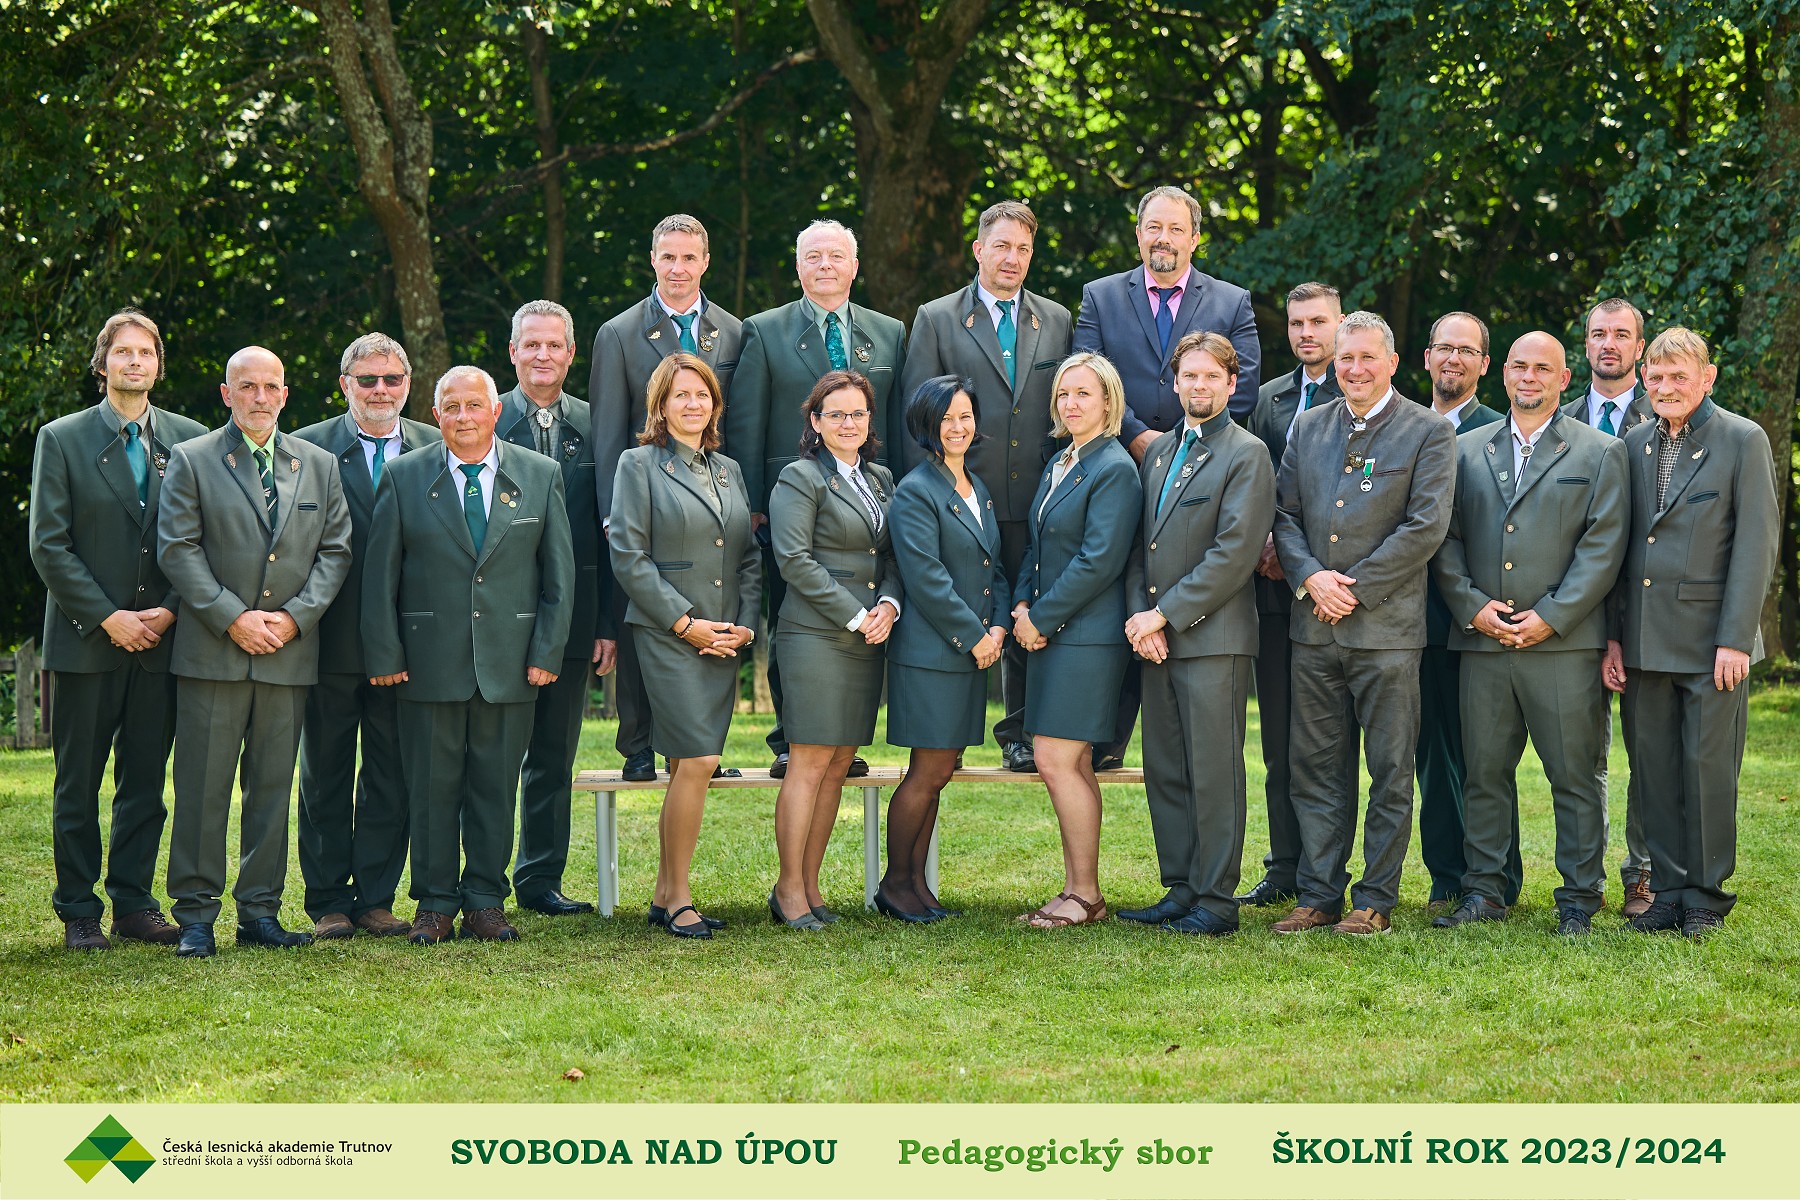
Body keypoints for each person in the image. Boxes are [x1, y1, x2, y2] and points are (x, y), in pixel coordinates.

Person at [362, 365, 574, 945]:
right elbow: (380, 575)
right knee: (431, 788)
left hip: (512, 662)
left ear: (495, 410)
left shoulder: (540, 474)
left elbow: (559, 576)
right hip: (428, 661)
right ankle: (434, 903)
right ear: (436, 415)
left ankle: (485, 900)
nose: (463, 417)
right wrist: (385, 653)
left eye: (474, 405)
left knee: (495, 786)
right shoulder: (404, 476)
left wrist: (547, 649)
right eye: (451, 407)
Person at [1429, 331, 1629, 936]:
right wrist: (1472, 608)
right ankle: (1485, 891)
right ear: (1504, 374)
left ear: (1564, 379)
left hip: (1563, 645)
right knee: (1484, 774)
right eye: (1519, 366)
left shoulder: (1601, 452)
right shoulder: (1464, 450)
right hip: (1483, 642)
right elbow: (1443, 540)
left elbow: (1603, 548)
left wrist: (1553, 615)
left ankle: (1579, 898)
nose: (1529, 377)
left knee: (1573, 777)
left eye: (1543, 368)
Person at [157, 346, 353, 958]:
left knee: (271, 790)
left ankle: (260, 911)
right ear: (227, 394)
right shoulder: (192, 459)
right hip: (213, 653)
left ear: (285, 394)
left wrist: (294, 620)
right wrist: (232, 618)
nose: (260, 397)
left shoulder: (318, 464)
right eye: (247, 386)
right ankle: (195, 915)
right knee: (202, 789)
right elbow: (178, 548)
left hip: (286, 656)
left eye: (271, 387)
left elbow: (336, 551)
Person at [1269, 311, 1456, 936]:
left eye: (1367, 357)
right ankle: (1318, 894)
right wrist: (1310, 579)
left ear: (1392, 363)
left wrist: (1353, 589)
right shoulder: (1307, 426)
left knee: (1390, 770)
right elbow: (1284, 516)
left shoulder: (1428, 431)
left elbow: (1425, 527)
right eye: (1345, 358)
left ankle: (1375, 897)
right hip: (1313, 628)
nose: (1354, 369)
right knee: (1315, 768)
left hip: (1386, 633)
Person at [29, 309, 205, 950]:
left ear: (158, 365)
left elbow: (204, 538)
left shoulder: (190, 440)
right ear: (102, 364)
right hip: (86, 642)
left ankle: (133, 903)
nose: (135, 362)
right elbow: (50, 545)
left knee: (145, 784)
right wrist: (108, 617)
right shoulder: (61, 439)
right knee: (77, 784)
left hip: (161, 641)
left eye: (146, 352)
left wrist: (171, 609)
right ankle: (79, 909)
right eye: (122, 352)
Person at [1073, 186, 1259, 771]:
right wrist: (1142, 440)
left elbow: (1244, 389)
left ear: (1195, 238)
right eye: (1154, 227)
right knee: (1110, 584)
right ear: (1138, 234)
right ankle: (1100, 736)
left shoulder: (1231, 302)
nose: (1164, 238)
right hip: (1115, 466)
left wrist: (1180, 442)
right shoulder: (1101, 296)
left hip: (1203, 470)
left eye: (1177, 229)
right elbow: (1089, 376)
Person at [1606, 327, 1778, 938]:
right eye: (1655, 376)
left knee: (1707, 772)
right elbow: (1619, 546)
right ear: (1643, 379)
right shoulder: (1632, 444)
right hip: (1643, 639)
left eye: (1679, 376)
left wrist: (1736, 638)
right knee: (1653, 773)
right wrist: (1614, 637)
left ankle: (1705, 894)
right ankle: (1668, 892)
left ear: (1707, 378)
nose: (1666, 386)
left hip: (1713, 644)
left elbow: (1756, 546)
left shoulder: (1742, 439)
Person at [722, 219, 906, 777]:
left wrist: (898, 501)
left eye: (836, 256)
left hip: (864, 504)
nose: (825, 265)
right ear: (798, 267)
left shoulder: (890, 333)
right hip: (793, 506)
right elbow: (746, 423)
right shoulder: (764, 330)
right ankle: (791, 737)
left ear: (855, 266)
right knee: (793, 619)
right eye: (814, 256)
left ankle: (844, 736)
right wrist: (753, 503)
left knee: (861, 612)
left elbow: (895, 426)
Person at [900, 199, 1073, 773]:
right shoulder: (937, 318)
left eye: (1023, 248)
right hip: (959, 499)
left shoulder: (1056, 319)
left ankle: (1020, 731)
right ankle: (945, 732)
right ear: (978, 250)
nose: (1012, 258)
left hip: (1036, 500)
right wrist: (930, 495)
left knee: (1026, 612)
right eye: (1001, 246)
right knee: (957, 607)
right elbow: (917, 416)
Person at [1120, 332, 1275, 936]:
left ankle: (1216, 900)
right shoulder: (1158, 451)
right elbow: (1140, 544)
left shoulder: (1247, 454)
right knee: (1166, 768)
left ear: (1232, 384)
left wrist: (1164, 614)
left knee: (1213, 771)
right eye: (1189, 376)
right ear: (1175, 382)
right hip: (1155, 639)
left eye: (1212, 376)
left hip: (1214, 639)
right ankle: (1181, 887)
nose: (1199, 386)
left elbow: (1234, 553)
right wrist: (1142, 620)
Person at [291, 333, 442, 942]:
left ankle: (376, 898)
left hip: (408, 645)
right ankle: (328, 899)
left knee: (391, 772)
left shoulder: (437, 446)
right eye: (368, 380)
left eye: (392, 379)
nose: (381, 390)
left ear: (408, 384)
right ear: (345, 385)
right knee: (324, 771)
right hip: (327, 637)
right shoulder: (305, 448)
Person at [609, 353, 761, 938]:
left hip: (723, 637)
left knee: (688, 765)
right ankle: (679, 899)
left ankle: (662, 894)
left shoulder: (729, 470)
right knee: (697, 760)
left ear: (715, 404)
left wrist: (745, 625)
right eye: (680, 395)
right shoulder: (637, 464)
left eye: (702, 394)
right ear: (660, 405)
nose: (692, 404)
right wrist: (684, 623)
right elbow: (629, 555)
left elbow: (748, 555)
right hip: (668, 634)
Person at [590, 214, 744, 782]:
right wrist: (612, 514)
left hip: (710, 493)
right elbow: (609, 432)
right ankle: (637, 744)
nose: (678, 268)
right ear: (653, 260)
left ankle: (700, 744)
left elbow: (737, 422)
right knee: (644, 618)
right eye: (668, 257)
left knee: (709, 610)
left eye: (689, 257)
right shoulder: (619, 333)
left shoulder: (734, 332)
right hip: (642, 495)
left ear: (705, 263)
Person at [767, 371, 903, 930]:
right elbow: (794, 561)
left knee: (841, 760)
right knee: (810, 760)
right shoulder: (800, 478)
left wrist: (888, 604)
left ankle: (811, 884)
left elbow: (893, 553)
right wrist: (855, 614)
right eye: (837, 414)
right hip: (816, 635)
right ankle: (788, 889)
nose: (849, 423)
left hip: (869, 634)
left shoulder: (881, 478)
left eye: (859, 413)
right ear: (816, 422)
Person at [1012, 352, 1143, 928]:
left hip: (1087, 637)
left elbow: (1099, 561)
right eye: (1064, 394)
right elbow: (1038, 547)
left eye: (1084, 394)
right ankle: (1077, 890)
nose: (1070, 404)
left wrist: (1040, 619)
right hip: (1052, 628)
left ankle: (1085, 894)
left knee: (1055, 756)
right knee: (1071, 761)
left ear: (1109, 402)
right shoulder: (1061, 460)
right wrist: (1022, 604)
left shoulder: (1114, 467)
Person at [497, 300, 615, 917]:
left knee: (552, 755)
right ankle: (479, 880)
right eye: (531, 344)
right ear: (513, 352)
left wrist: (606, 623)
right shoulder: (484, 422)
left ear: (571, 353)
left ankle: (539, 878)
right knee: (490, 755)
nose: (542, 355)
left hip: (573, 617)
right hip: (496, 617)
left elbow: (613, 534)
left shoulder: (601, 426)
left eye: (554, 345)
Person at [881, 376, 1011, 923]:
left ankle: (917, 886)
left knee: (939, 774)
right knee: (927, 772)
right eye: (945, 419)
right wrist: (975, 636)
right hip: (931, 655)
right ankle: (895, 884)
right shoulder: (916, 491)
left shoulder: (976, 486)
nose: (957, 428)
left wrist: (998, 628)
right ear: (925, 425)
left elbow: (992, 569)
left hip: (969, 652)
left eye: (965, 416)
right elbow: (926, 579)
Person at [1240, 281, 1352, 908]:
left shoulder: (1360, 393)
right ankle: (1285, 866)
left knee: (1334, 746)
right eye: (1296, 323)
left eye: (1318, 322)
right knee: (1281, 744)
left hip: (1342, 594)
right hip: (1274, 595)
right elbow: (1257, 485)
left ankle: (1330, 871)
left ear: (1341, 323)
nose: (1307, 333)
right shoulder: (1268, 400)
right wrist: (1267, 547)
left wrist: (1306, 562)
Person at [1414, 311, 1511, 914]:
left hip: (1478, 620)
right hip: (1416, 620)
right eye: (1443, 348)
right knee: (1432, 757)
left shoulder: (1499, 433)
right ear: (1426, 357)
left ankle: (1498, 875)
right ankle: (1447, 876)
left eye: (1466, 350)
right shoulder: (1405, 426)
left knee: (1485, 761)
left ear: (1484, 364)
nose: (1453, 358)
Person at [1564, 296, 1657, 918]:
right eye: (1599, 333)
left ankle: (1643, 873)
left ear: (1639, 348)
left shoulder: (1667, 416)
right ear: (1585, 344)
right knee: (1586, 755)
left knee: (1646, 752)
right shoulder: (1562, 419)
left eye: (1621, 335)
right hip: (1579, 614)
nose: (1609, 344)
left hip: (1649, 613)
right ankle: (1587, 878)